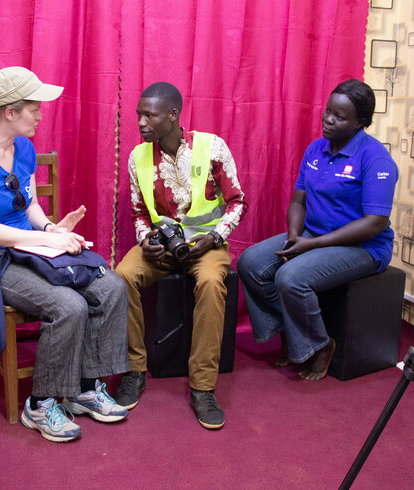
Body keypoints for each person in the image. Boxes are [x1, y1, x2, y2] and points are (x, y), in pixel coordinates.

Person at [0, 66, 129, 442]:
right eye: (35, 107)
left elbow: (29, 208)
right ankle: (41, 404)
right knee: (68, 305)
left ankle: (83, 388)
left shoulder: (25, 148)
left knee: (112, 286)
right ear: (10, 113)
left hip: (28, 247)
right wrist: (43, 241)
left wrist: (51, 229)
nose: (41, 114)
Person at [237, 79, 399, 381]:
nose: (328, 119)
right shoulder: (316, 149)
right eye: (327, 111)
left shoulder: (376, 159)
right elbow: (298, 200)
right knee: (251, 262)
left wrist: (311, 246)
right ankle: (289, 332)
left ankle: (321, 345)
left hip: (364, 247)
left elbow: (375, 223)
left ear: (360, 122)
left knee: (290, 276)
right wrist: (295, 236)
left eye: (339, 116)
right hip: (314, 234)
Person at [114, 82, 247, 429]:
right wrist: (145, 240)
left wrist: (216, 236)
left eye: (149, 115)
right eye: (138, 114)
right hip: (162, 246)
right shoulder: (136, 156)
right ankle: (135, 370)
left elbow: (237, 202)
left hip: (206, 245)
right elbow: (138, 213)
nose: (140, 122)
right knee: (121, 277)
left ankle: (203, 388)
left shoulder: (213, 146)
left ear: (172, 115)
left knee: (211, 282)